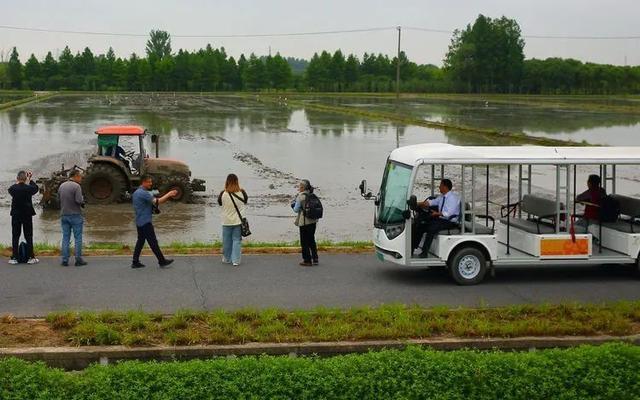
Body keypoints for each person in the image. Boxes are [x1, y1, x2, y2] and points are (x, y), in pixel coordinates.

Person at [131, 175, 178, 269]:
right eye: (149, 182)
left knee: (140, 241)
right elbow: (158, 201)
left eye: (151, 182)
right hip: (145, 222)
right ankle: (162, 261)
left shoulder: (137, 192)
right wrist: (169, 194)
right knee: (153, 242)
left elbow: (147, 202)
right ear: (143, 182)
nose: (150, 183)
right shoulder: (143, 193)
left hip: (139, 221)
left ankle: (135, 262)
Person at [413, 179, 461, 258]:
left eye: (440, 185)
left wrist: (436, 213)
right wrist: (417, 203)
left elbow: (448, 213)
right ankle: (413, 247)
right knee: (421, 225)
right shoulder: (442, 197)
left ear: (445, 187)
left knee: (431, 228)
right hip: (441, 219)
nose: (439, 187)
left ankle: (424, 252)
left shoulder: (452, 198)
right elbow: (431, 202)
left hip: (450, 221)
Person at [8, 170, 39, 265]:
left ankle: (14, 257)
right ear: (25, 179)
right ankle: (31, 257)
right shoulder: (29, 188)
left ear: (17, 178)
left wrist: (18, 182)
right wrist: (30, 179)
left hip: (16, 215)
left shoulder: (12, 189)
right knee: (28, 235)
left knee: (15, 235)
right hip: (27, 214)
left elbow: (12, 188)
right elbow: (36, 188)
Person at [217, 174, 248, 267]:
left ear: (227, 182)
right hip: (238, 221)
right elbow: (245, 201)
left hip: (226, 221)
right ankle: (236, 260)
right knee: (236, 240)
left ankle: (227, 258)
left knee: (226, 241)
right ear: (237, 181)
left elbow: (219, 203)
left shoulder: (223, 193)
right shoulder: (242, 192)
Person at [58, 169, 86, 267]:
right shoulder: (77, 186)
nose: (81, 179)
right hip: (75, 215)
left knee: (65, 237)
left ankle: (65, 260)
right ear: (76, 176)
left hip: (64, 215)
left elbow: (59, 198)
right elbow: (78, 200)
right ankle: (78, 259)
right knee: (78, 238)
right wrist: (83, 201)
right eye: (80, 177)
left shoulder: (62, 185)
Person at [291, 179, 318, 266]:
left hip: (304, 222)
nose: (299, 188)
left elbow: (296, 210)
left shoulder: (301, 197)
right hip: (313, 220)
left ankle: (307, 260)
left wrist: (293, 204)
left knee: (304, 241)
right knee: (311, 239)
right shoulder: (312, 194)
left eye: (299, 186)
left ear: (302, 187)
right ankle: (315, 258)